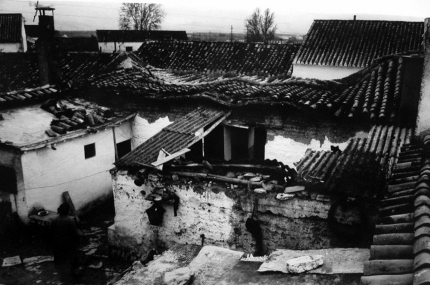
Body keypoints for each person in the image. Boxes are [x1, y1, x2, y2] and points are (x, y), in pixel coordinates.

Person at [50, 203, 79, 281]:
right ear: (67, 211)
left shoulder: (54, 220)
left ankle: (61, 275)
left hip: (57, 244)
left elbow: (51, 233)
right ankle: (72, 274)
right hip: (67, 244)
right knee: (71, 258)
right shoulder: (70, 220)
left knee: (59, 260)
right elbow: (74, 234)